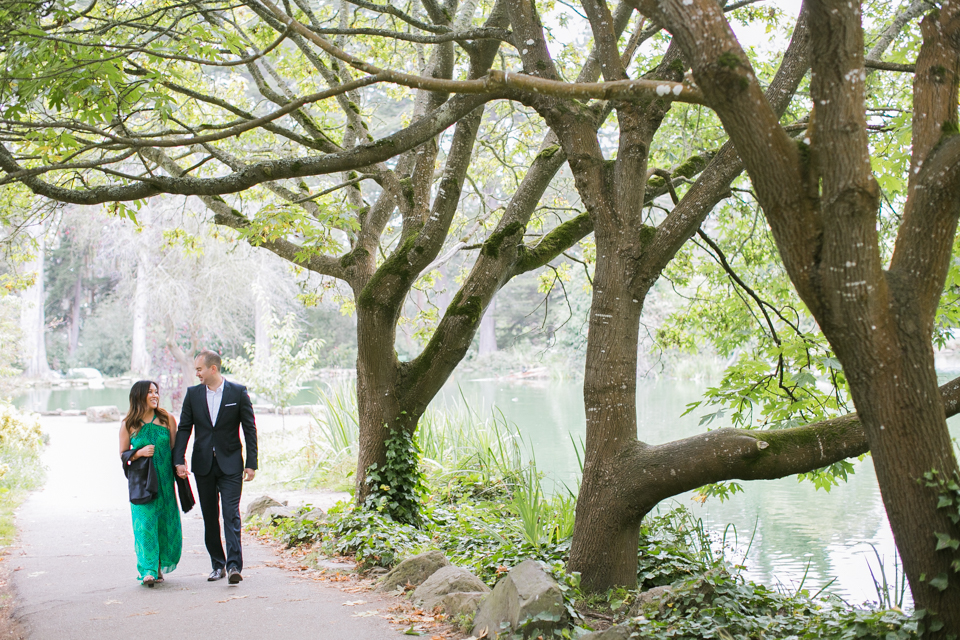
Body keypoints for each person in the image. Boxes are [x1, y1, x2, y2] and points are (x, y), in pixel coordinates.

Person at [174, 350, 258, 584]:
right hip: (203, 466)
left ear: (213, 369)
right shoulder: (192, 395)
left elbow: (249, 428)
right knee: (211, 517)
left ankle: (234, 566)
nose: (197, 373)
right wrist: (178, 459)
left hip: (231, 464)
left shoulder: (237, 392)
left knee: (231, 515)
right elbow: (184, 428)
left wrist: (252, 463)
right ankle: (217, 564)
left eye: (199, 369)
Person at [119, 380, 182, 587]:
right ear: (139, 396)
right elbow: (123, 456)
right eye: (150, 392)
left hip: (165, 482)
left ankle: (159, 566)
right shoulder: (129, 424)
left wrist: (180, 467)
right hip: (142, 483)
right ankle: (147, 569)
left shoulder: (167, 419)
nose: (155, 395)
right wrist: (138, 453)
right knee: (145, 525)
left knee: (165, 524)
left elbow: (176, 452)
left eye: (156, 392)